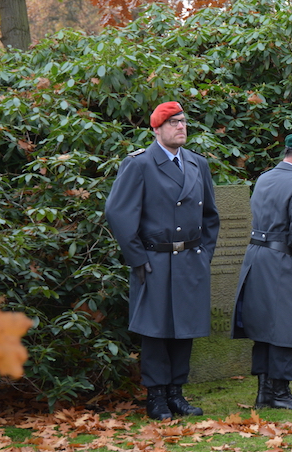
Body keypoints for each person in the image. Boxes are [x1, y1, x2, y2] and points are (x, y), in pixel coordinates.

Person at [105, 101, 221, 420]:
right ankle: (156, 398)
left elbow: (211, 216)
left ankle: (176, 394)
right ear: (156, 130)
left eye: (183, 122)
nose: (181, 127)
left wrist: (203, 254)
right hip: (153, 261)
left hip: (189, 260)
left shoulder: (197, 163)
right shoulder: (140, 164)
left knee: (185, 329)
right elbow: (117, 212)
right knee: (155, 332)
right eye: (173, 123)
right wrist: (137, 258)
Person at [232, 132, 292, 411]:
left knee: (263, 328)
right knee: (284, 328)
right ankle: (281, 392)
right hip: (282, 260)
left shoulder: (264, 178)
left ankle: (264, 391)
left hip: (256, 257)